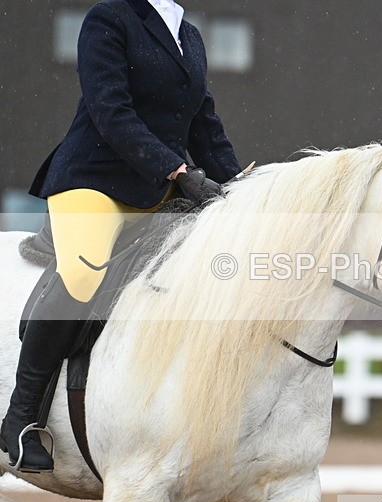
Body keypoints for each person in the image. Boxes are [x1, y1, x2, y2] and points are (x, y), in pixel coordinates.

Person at [0, 0, 241, 473]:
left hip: (158, 188)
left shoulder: (188, 36)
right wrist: (177, 168)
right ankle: (21, 418)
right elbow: (111, 111)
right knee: (85, 272)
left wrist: (241, 186)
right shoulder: (109, 18)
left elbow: (204, 125)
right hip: (94, 179)